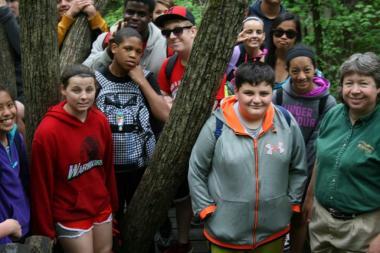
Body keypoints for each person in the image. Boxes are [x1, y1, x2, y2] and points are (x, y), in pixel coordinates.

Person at [189, 62, 308, 252]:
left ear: (272, 92)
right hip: (226, 232)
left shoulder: (286, 122)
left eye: (263, 93)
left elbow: (299, 167)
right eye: (249, 93)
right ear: (236, 91)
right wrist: (205, 208)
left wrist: (292, 202)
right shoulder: (217, 126)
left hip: (273, 229)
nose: (257, 100)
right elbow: (197, 169)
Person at [30, 64, 118, 253]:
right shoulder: (47, 132)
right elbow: (41, 185)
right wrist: (45, 229)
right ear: (63, 90)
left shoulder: (100, 121)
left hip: (101, 206)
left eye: (89, 89)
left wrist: (113, 205)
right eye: (76, 90)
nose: (84, 96)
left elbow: (108, 167)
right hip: (70, 213)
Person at [95, 27, 169, 238]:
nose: (133, 55)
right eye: (128, 49)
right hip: (107, 169)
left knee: (141, 221)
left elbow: (164, 114)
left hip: (141, 167)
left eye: (138, 51)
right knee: (112, 222)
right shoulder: (96, 79)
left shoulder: (146, 78)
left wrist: (141, 82)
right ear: (114, 48)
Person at [304, 52, 380, 253]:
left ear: (378, 87)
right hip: (321, 221)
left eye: (363, 83)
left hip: (363, 229)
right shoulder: (333, 114)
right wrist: (309, 200)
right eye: (349, 83)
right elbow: (321, 160)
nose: (355, 90)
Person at [272, 44, 336, 253]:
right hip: (278, 166)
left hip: (309, 170)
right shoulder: (278, 96)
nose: (301, 76)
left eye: (306, 70)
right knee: (278, 215)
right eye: (295, 71)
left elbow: (320, 139)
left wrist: (302, 172)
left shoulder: (327, 101)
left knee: (300, 217)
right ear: (288, 71)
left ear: (315, 68)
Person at [83, 0, 167, 76]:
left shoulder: (165, 43)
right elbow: (84, 72)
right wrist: (109, 52)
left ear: (150, 17)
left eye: (141, 14)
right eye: (130, 12)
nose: (134, 18)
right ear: (123, 12)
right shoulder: (105, 39)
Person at [0, 85, 29, 245]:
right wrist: (7, 228)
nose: (7, 112)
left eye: (10, 105)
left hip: (20, 229)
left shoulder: (14, 138)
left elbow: (23, 181)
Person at [226, 16, 267, 95]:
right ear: (241, 34)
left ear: (263, 36)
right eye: (249, 32)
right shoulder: (234, 52)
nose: (254, 36)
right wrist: (234, 41)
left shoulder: (266, 56)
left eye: (258, 32)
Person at [265, 12, 302, 90]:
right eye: (279, 32)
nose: (284, 37)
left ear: (297, 37)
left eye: (290, 34)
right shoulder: (262, 61)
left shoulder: (304, 64)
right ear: (272, 34)